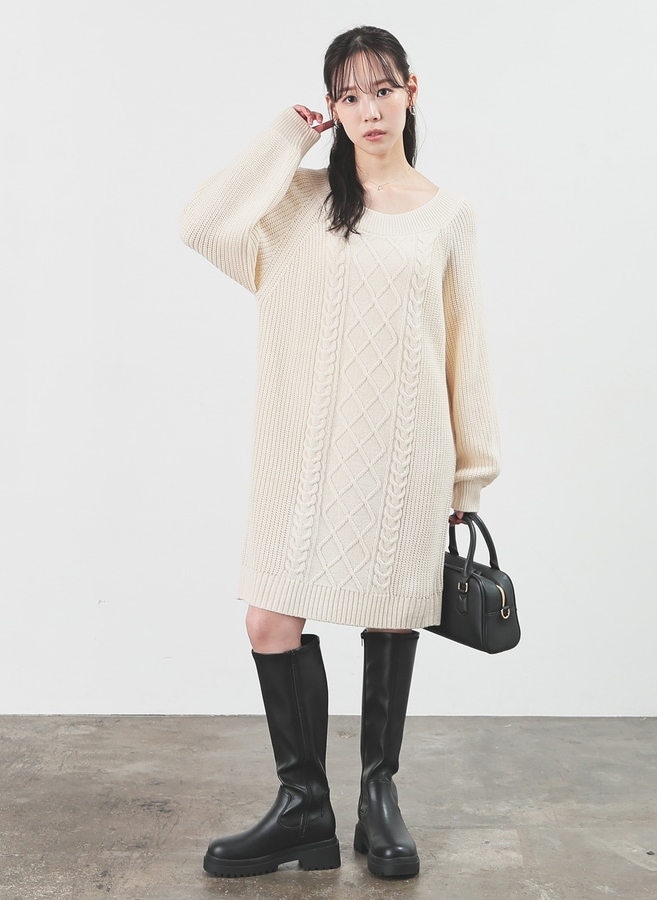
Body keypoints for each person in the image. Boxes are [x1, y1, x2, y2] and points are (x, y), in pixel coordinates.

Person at [179, 24, 500, 879]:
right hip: (299, 458)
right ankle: (303, 807)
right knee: (270, 619)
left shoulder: (449, 215)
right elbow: (200, 223)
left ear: (411, 92)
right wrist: (286, 135)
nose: (369, 110)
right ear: (333, 107)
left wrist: (469, 477)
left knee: (389, 613)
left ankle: (377, 798)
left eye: (382, 90)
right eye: (349, 96)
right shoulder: (296, 205)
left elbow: (465, 347)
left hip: (404, 460)